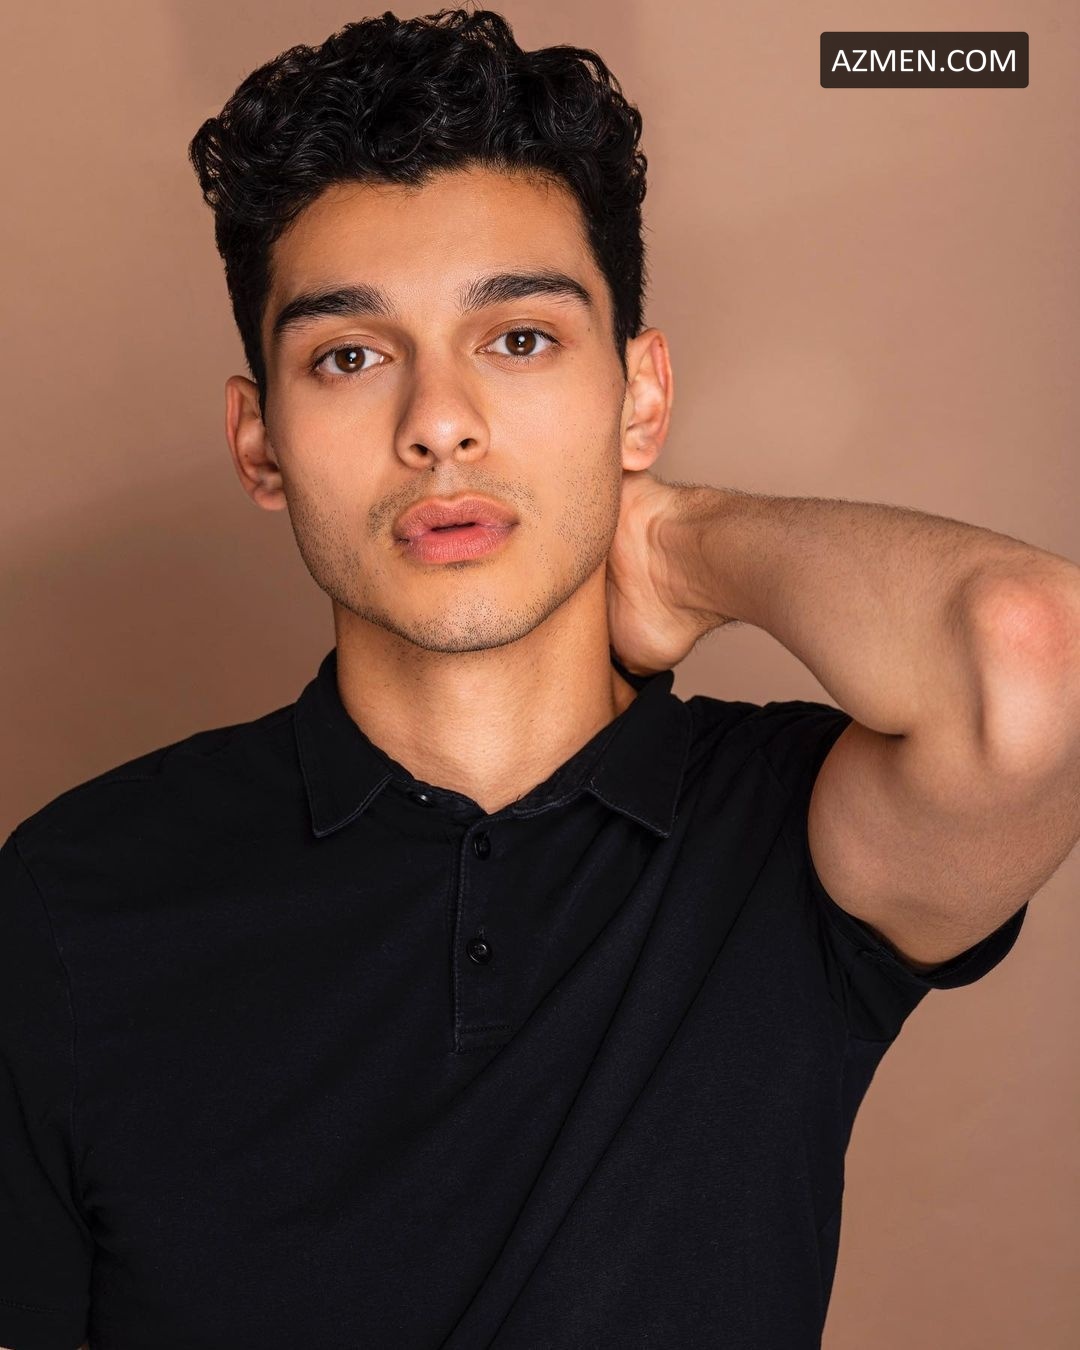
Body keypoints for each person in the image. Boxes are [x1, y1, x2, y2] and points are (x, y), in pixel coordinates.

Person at [2, 8, 1077, 1349]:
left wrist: (679, 547)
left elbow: (1035, 652)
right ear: (259, 439)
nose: (439, 424)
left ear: (640, 396)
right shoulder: (67, 899)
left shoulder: (782, 839)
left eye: (518, 338)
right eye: (349, 355)